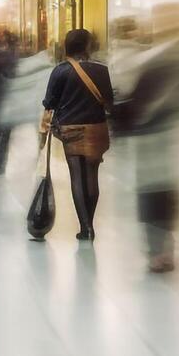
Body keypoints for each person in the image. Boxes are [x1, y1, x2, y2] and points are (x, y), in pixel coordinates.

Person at [116, 11, 179, 272]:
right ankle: (161, 250)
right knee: (158, 197)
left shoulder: (153, 60)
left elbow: (129, 99)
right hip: (156, 145)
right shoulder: (161, 60)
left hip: (157, 145)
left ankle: (159, 251)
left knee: (157, 197)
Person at [40, 29, 115, 241]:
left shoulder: (60, 71)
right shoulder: (102, 70)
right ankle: (89, 222)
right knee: (92, 174)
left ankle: (86, 226)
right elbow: (109, 100)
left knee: (77, 175)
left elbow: (49, 103)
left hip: (71, 129)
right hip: (97, 128)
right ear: (88, 46)